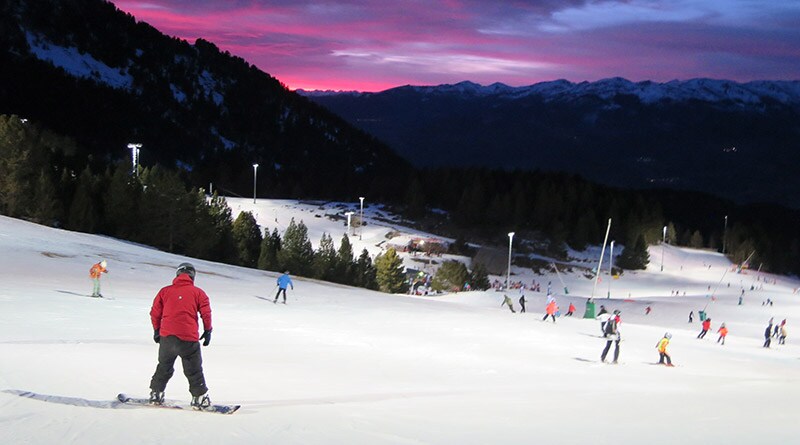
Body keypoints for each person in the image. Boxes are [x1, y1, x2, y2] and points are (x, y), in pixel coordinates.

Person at [148, 263, 213, 409]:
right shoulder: (198, 293)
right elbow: (206, 313)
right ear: (192, 276)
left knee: (164, 367)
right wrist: (208, 330)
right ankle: (199, 398)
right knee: (194, 369)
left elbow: (155, 313)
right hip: (188, 338)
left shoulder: (165, 291)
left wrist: (156, 330)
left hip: (167, 337)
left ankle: (156, 394)